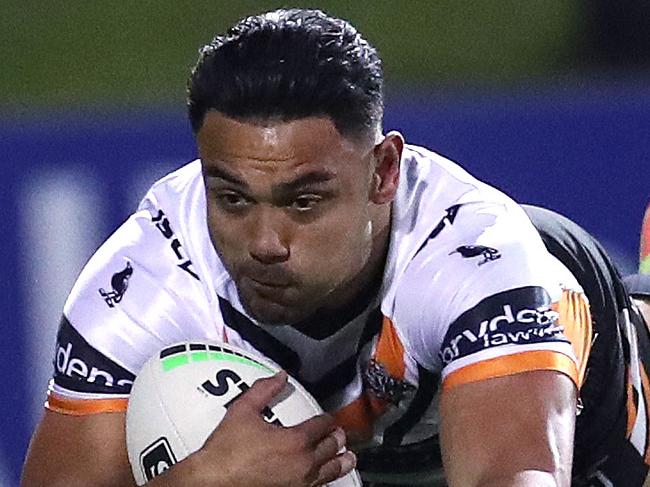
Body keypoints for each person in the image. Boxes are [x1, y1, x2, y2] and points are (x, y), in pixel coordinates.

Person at [20, 8, 650, 487]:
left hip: (590, 414)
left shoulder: (473, 259)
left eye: (304, 202)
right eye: (233, 199)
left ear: (383, 173)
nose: (265, 244)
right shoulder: (139, 285)